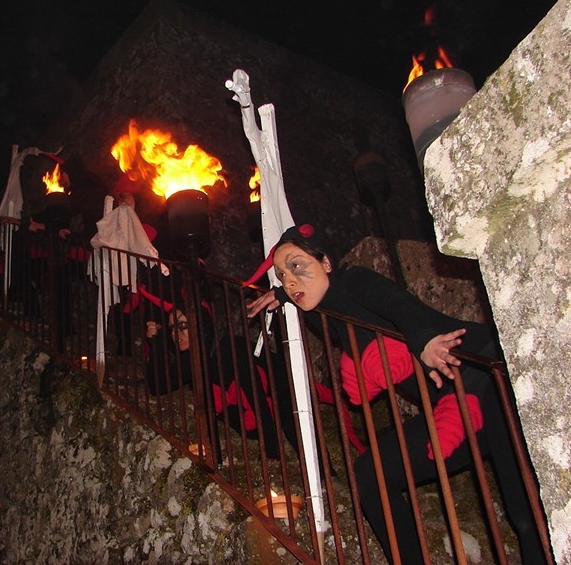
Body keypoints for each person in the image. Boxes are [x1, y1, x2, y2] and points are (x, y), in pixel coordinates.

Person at [245, 224, 546, 564]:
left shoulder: (351, 280)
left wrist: (423, 338)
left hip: (489, 379)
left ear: (327, 262)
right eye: (283, 275)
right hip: (458, 406)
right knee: (369, 474)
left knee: (525, 510)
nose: (290, 280)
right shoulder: (327, 310)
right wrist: (281, 294)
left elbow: (395, 301)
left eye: (297, 267)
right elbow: (302, 289)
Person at [141, 279, 299, 460]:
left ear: (199, 324)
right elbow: (158, 386)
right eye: (172, 328)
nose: (176, 333)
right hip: (249, 417)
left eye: (183, 325)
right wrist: (156, 344)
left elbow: (256, 393)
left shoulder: (227, 348)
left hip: (281, 391)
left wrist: (272, 451)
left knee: (292, 420)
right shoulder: (193, 359)